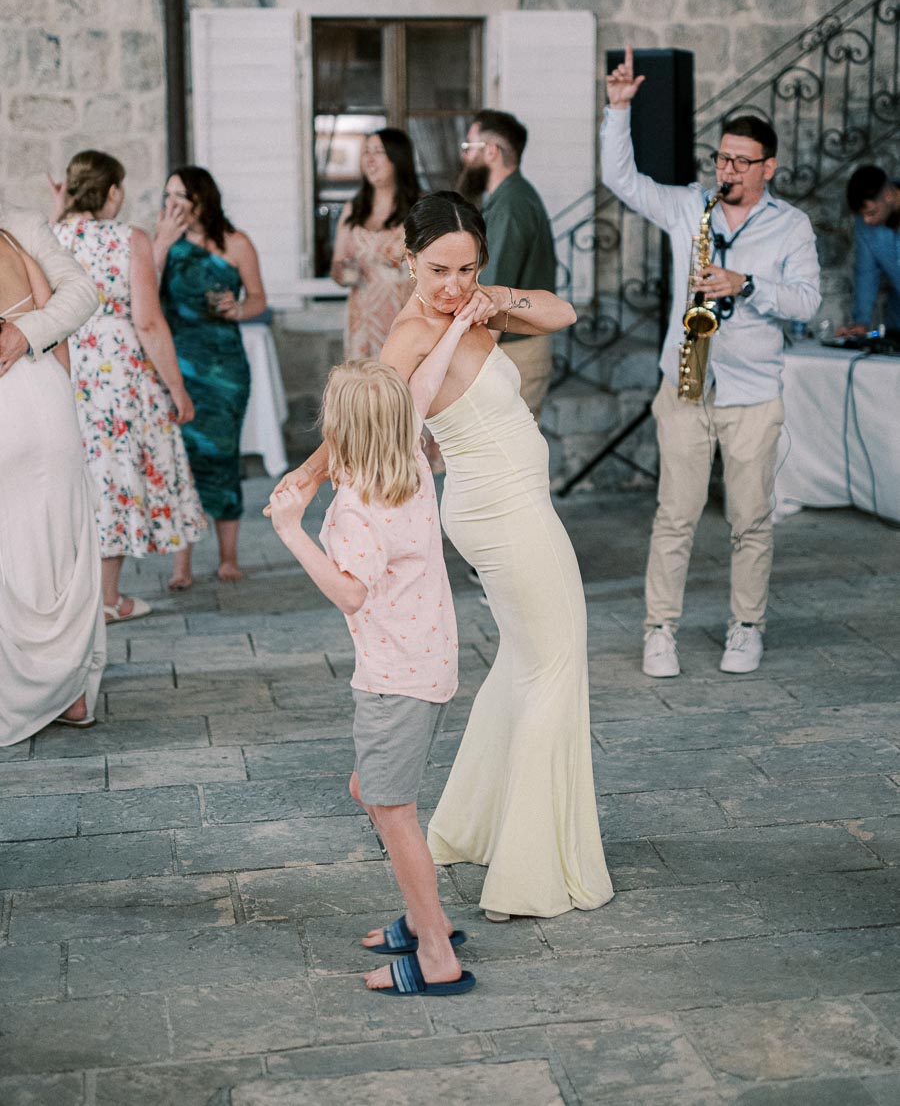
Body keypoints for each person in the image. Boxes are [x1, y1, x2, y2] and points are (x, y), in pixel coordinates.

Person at [271, 192, 614, 922]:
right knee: (555, 664)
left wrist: (498, 298)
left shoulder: (472, 308)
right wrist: (307, 476)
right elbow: (363, 421)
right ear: (408, 260)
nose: (454, 284)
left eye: (467, 268)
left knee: (526, 662)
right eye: (438, 270)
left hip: (515, 503)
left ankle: (473, 826)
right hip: (504, 513)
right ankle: (528, 872)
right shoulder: (413, 332)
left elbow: (561, 313)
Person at [601, 45, 821, 678]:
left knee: (750, 520)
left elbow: (806, 302)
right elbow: (622, 181)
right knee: (674, 516)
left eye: (741, 161)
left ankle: (747, 626)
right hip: (686, 383)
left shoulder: (792, 227)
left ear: (768, 167)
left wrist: (745, 283)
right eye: (722, 158)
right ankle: (659, 630)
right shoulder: (689, 208)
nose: (727, 169)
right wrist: (619, 110)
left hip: (752, 392)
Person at [268, 358, 474, 997]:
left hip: (395, 677)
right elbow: (421, 384)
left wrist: (290, 531)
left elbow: (350, 594)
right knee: (371, 789)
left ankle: (436, 950)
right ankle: (423, 918)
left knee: (392, 809)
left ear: (339, 427)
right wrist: (456, 325)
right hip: (430, 661)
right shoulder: (408, 459)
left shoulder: (359, 507)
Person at [53, 151, 206, 623]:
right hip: (118, 373)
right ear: (113, 191)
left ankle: (71, 595)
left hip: (66, 367)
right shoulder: (128, 239)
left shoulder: (51, 237)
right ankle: (107, 598)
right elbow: (148, 321)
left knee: (74, 476)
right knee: (115, 475)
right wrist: (177, 388)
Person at [0, 207, 106, 743]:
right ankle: (71, 693)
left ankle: (37, 690)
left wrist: (24, 331)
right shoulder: (14, 235)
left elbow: (82, 292)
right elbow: (70, 297)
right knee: (60, 545)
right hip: (43, 394)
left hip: (28, 398)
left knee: (24, 549)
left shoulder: (20, 224)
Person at [154, 167, 267, 587]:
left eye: (179, 195)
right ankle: (181, 565)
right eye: (167, 195)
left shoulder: (236, 243)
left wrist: (237, 309)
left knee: (222, 457)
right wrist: (162, 242)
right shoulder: (162, 241)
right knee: (181, 461)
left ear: (201, 201)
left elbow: (258, 298)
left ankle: (228, 558)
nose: (171, 203)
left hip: (224, 370)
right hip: (177, 366)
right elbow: (142, 291)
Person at [458, 109, 557, 419]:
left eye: (469, 147)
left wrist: (475, 366)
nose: (464, 156)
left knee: (504, 449)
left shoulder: (512, 205)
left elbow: (493, 293)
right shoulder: (511, 198)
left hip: (512, 354)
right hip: (513, 351)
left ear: (491, 151)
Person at [330, 128, 419, 359]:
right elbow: (337, 266)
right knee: (364, 378)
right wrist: (344, 272)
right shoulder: (353, 208)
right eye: (366, 152)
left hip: (405, 315)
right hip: (363, 318)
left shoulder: (420, 208)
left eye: (378, 152)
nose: (370, 159)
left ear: (398, 158)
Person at [835, 165, 900, 337]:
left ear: (888, 195)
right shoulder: (865, 225)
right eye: (862, 215)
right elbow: (866, 273)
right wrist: (861, 322)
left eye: (872, 212)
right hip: (896, 323)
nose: (867, 221)